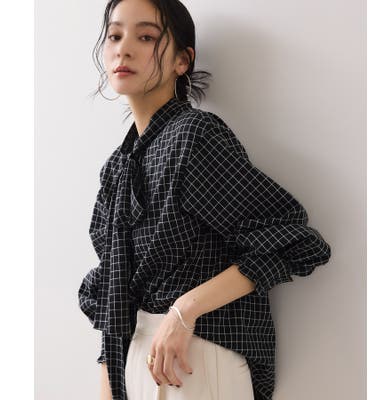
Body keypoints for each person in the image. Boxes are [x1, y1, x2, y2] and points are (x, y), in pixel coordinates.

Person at [77, 0, 332, 399]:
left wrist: (185, 310)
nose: (123, 49)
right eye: (114, 35)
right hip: (136, 361)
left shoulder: (194, 136)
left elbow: (291, 241)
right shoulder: (117, 167)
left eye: (146, 37)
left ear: (182, 60)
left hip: (194, 356)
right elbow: (113, 294)